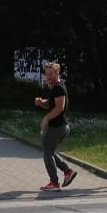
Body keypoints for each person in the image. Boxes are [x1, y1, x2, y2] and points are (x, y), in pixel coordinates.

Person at [34, 60, 78, 191]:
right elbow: (51, 103)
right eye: (47, 74)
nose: (48, 77)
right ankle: (68, 171)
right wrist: (42, 102)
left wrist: (46, 118)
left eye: (51, 74)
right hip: (58, 126)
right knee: (50, 151)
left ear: (57, 73)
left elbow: (59, 107)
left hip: (57, 127)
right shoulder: (54, 87)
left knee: (47, 153)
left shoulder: (58, 88)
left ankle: (54, 182)